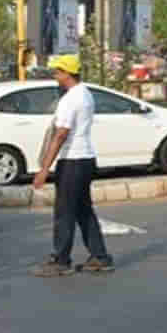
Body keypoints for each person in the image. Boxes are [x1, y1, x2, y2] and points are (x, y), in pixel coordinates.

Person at [29, 55, 113, 277]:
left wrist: (44, 168)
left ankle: (61, 260)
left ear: (67, 73)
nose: (55, 76)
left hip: (72, 160)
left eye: (57, 72)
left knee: (64, 212)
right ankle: (100, 257)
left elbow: (61, 134)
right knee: (83, 211)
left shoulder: (70, 100)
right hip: (86, 159)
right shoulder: (84, 94)